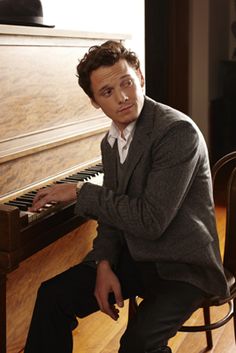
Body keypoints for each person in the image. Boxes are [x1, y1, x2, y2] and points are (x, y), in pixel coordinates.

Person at [24, 40, 229, 353]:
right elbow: (113, 211)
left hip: (183, 266)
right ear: (94, 102)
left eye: (127, 83)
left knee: (137, 345)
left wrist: (80, 193)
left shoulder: (176, 133)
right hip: (138, 255)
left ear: (140, 78)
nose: (122, 97)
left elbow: (150, 221)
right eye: (107, 92)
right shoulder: (111, 142)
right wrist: (104, 262)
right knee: (53, 296)